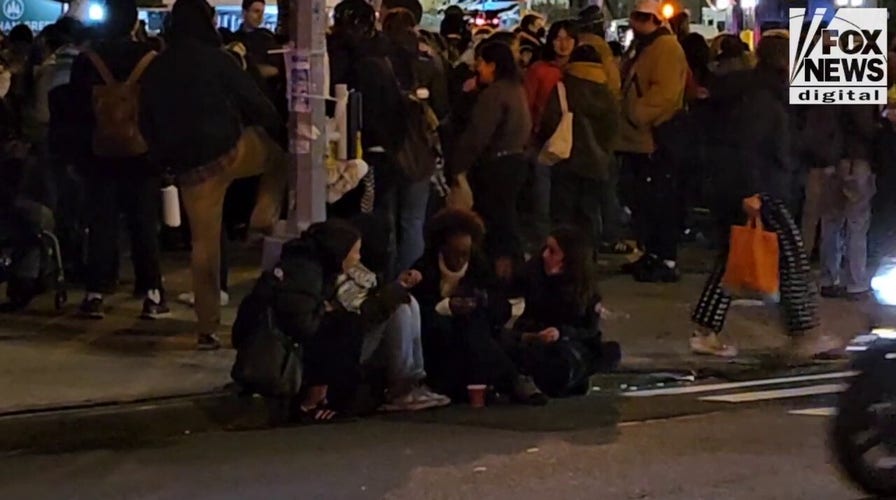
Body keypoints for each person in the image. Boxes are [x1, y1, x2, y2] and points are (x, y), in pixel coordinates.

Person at [139, 0, 287, 350]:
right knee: (279, 156)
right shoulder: (218, 59)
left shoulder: (157, 67)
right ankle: (264, 212)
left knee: (203, 247)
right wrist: (276, 128)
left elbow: (145, 122)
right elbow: (257, 105)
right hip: (229, 152)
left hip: (191, 171)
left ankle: (207, 329)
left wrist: (166, 165)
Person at [690, 32, 838, 359]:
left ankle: (706, 328)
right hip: (764, 187)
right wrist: (751, 190)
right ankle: (804, 329)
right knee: (791, 256)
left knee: (736, 257)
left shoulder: (757, 91)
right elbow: (749, 148)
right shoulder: (764, 98)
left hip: (759, 185)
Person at [68, 0, 168, 320]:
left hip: (99, 156)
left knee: (101, 223)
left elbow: (77, 112)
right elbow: (157, 110)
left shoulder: (87, 60)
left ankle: (96, 290)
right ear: (134, 22)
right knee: (143, 224)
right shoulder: (151, 59)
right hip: (142, 156)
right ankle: (151, 292)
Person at [411, 208, 548, 405]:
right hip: (437, 342)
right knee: (469, 328)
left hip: (475, 334)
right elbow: (418, 315)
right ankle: (512, 379)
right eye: (454, 254)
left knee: (472, 324)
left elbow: (502, 308)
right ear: (441, 248)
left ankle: (506, 380)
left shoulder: (479, 266)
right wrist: (447, 307)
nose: (460, 260)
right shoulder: (423, 269)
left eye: (465, 254)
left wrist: (480, 302)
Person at [617, 0, 688, 282]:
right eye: (636, 17)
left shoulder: (665, 48)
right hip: (640, 137)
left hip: (654, 136)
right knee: (644, 200)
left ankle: (664, 257)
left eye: (644, 18)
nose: (638, 23)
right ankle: (653, 253)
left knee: (660, 199)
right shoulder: (644, 47)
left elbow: (665, 93)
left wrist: (636, 114)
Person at [449, 41, 531, 283]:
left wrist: (457, 166)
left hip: (497, 167)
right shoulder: (515, 89)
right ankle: (511, 276)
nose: (477, 67)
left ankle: (507, 278)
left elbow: (476, 136)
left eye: (481, 62)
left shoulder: (494, 95)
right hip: (515, 162)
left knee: (499, 227)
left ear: (493, 65)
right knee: (505, 222)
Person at [509, 226, 621, 397]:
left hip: (568, 342)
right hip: (536, 337)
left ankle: (569, 375)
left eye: (552, 252)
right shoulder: (534, 273)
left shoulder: (585, 290)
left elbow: (589, 330)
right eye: (545, 249)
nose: (545, 255)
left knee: (608, 353)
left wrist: (561, 333)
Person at [539, 44, 620, 251]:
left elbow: (550, 121)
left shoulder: (565, 88)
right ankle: (586, 258)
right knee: (589, 212)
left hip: (567, 159)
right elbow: (612, 127)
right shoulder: (606, 91)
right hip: (597, 161)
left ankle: (563, 256)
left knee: (563, 213)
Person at [524, 20, 578, 252]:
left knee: (565, 195)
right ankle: (543, 242)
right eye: (558, 38)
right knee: (542, 195)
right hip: (542, 140)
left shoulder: (580, 70)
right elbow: (527, 103)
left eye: (568, 38)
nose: (563, 44)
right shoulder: (539, 70)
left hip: (573, 141)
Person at [819, 105, 878, 300]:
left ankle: (828, 280)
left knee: (831, 222)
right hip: (856, 161)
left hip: (829, 161)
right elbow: (865, 128)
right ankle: (856, 283)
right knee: (857, 223)